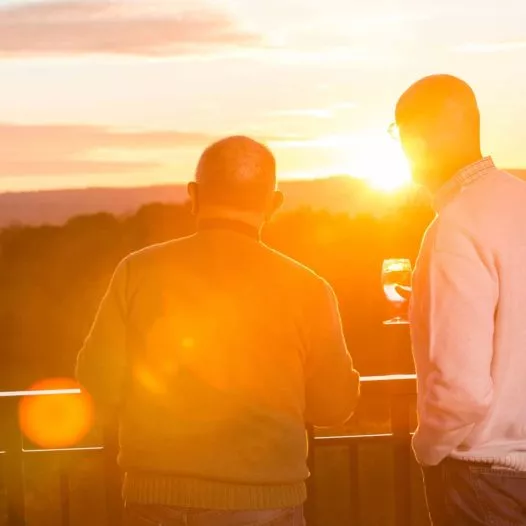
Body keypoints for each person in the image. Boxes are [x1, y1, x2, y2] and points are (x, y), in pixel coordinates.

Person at [76, 135, 360, 526]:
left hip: (155, 500)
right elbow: (333, 407)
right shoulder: (309, 288)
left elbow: (99, 382)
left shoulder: (136, 271)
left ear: (193, 195)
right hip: (267, 505)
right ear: (273, 203)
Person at [394, 74, 526, 525]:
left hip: (481, 476)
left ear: (415, 137)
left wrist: (428, 447)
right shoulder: (520, 200)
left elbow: (462, 391)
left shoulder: (455, 226)